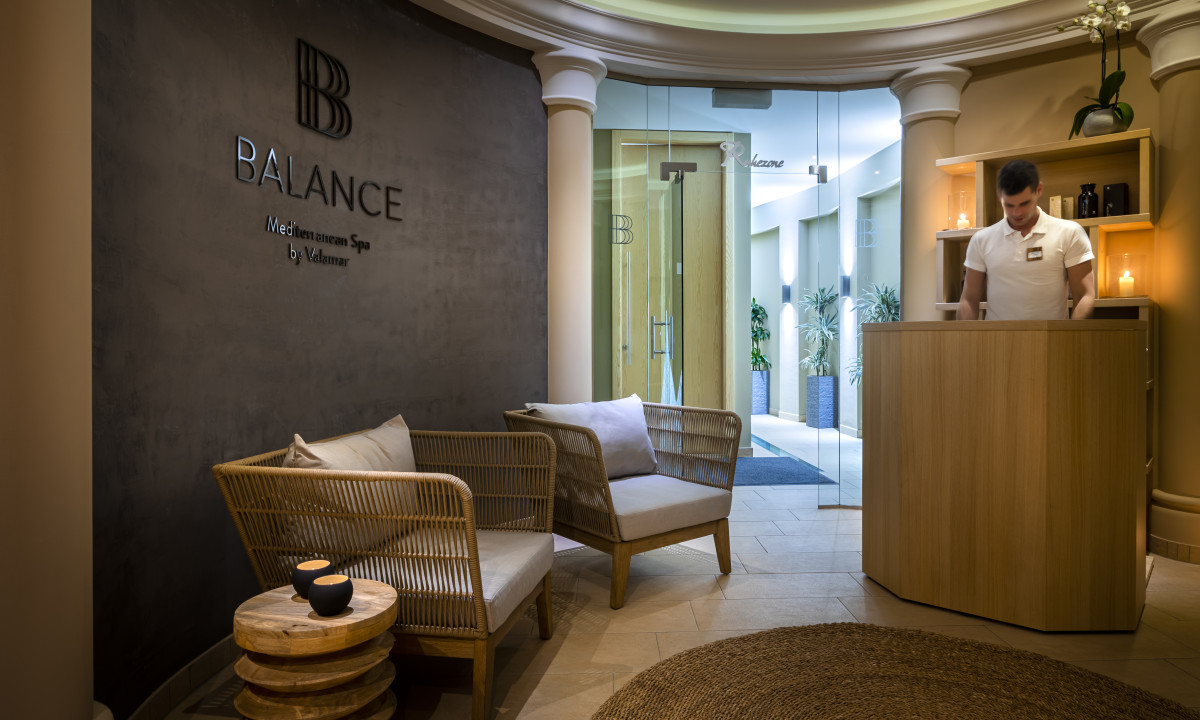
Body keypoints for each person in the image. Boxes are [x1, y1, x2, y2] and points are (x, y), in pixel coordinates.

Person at [957, 159, 1096, 321]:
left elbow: (1084, 296)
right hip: (997, 337)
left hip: (1050, 336)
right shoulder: (981, 240)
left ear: (1039, 190)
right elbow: (969, 300)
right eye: (1009, 205)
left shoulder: (1070, 233)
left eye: (1024, 203)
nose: (1017, 213)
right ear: (1000, 196)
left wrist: (1070, 336)